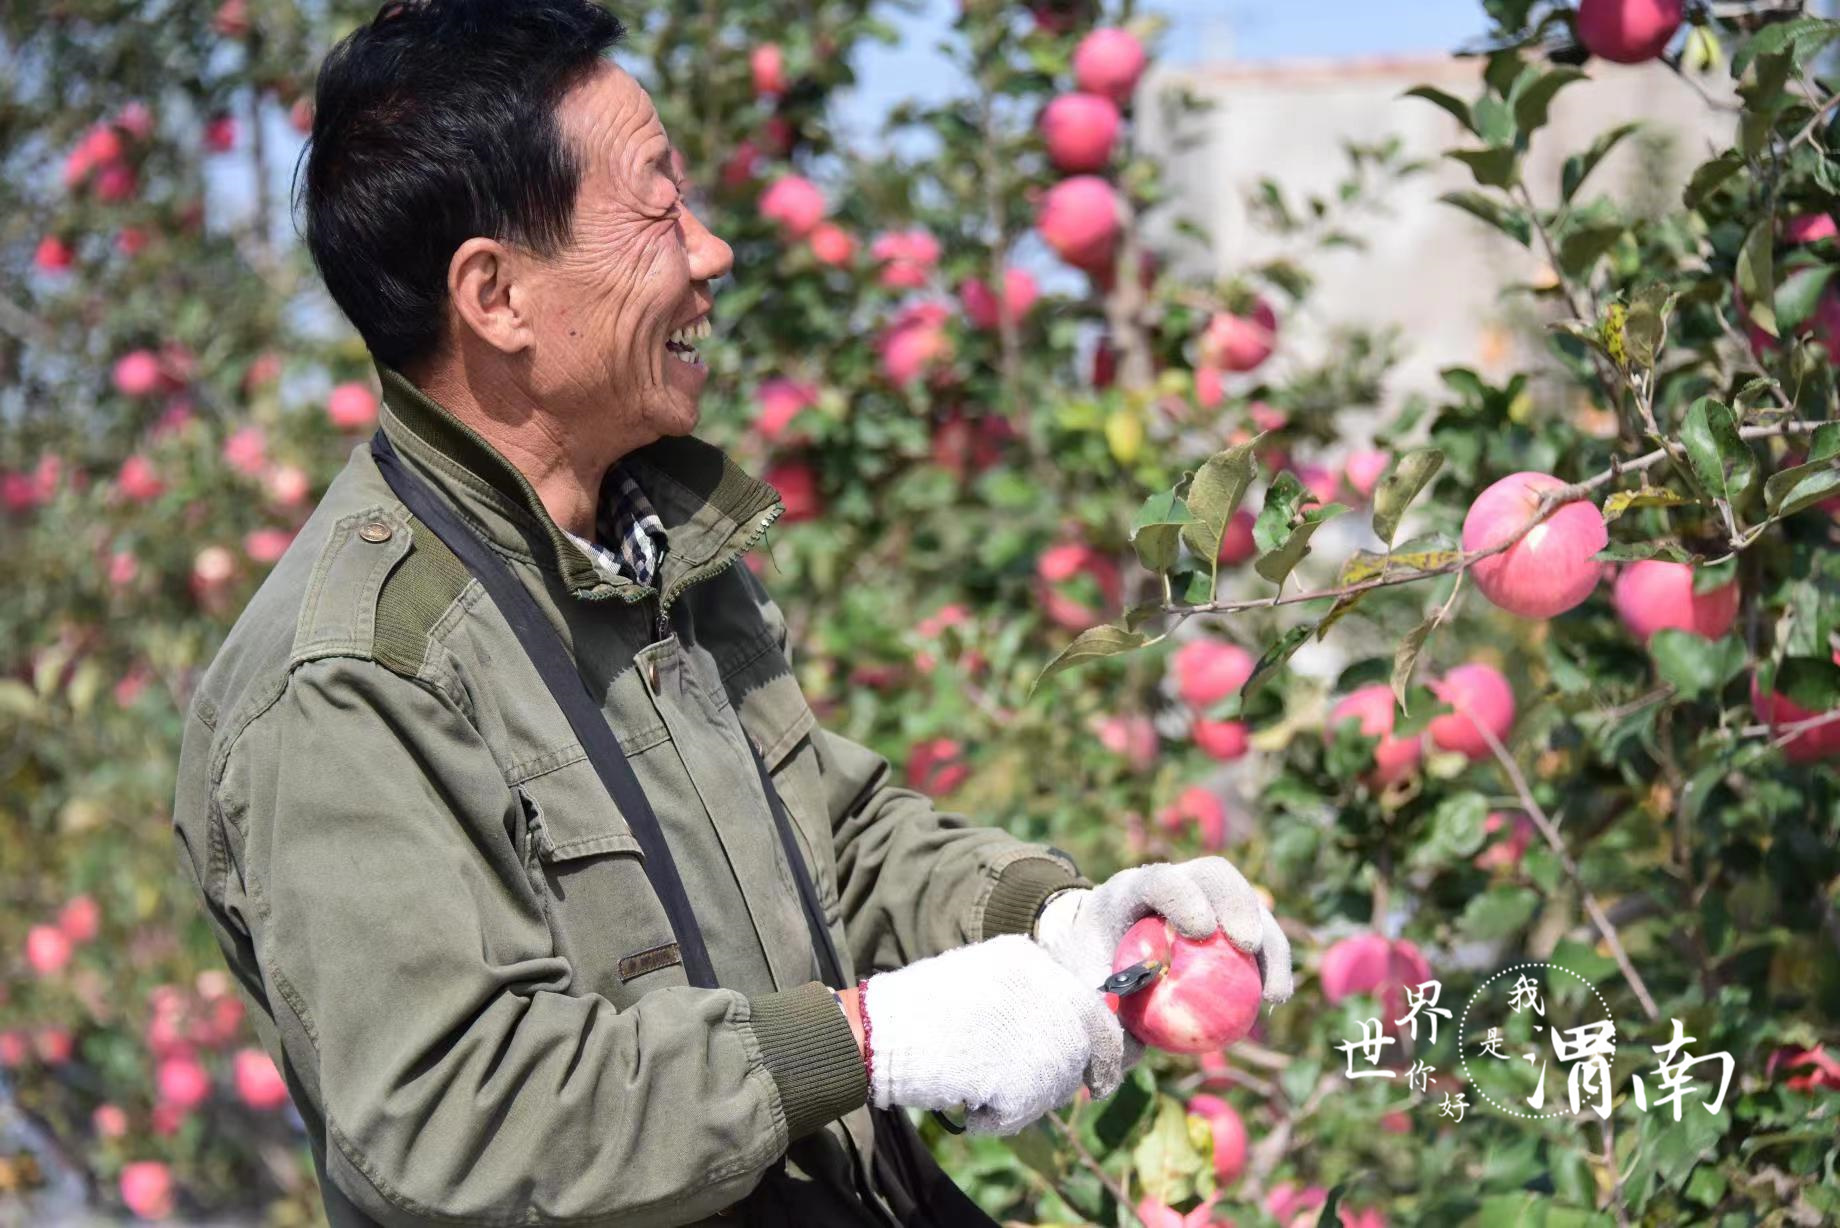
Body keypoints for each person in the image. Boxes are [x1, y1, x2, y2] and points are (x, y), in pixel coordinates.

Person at [169, 3, 1294, 1224]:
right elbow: (455, 1112)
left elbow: (830, 839)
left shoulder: (650, 543)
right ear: (495, 295)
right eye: (658, 209)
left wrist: (1056, 917)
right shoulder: (353, 678)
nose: (710, 252)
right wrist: (864, 1043)